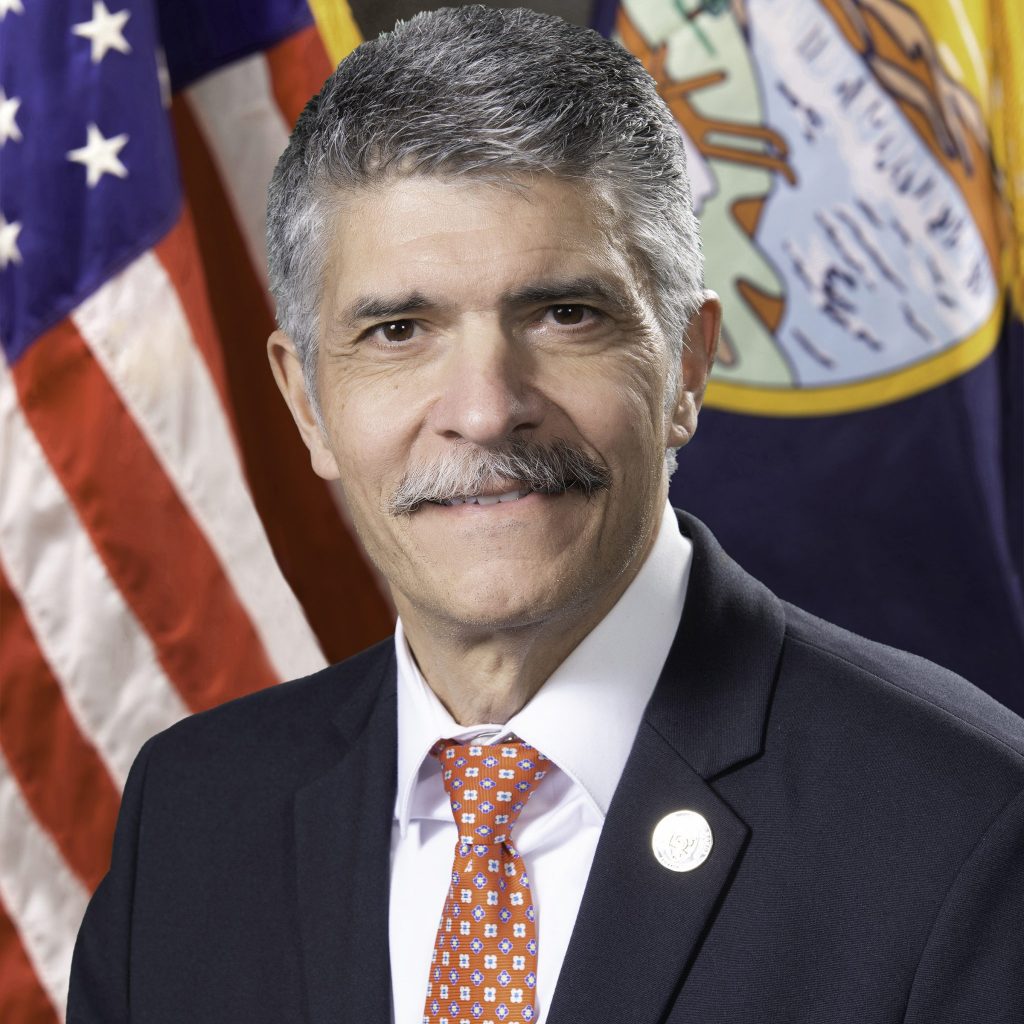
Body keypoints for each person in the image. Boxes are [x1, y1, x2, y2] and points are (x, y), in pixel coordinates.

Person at [68, 7, 1024, 1023]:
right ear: (307, 402)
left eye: (565, 314)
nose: (484, 408)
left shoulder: (960, 832)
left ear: (688, 366)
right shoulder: (192, 820)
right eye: (398, 331)